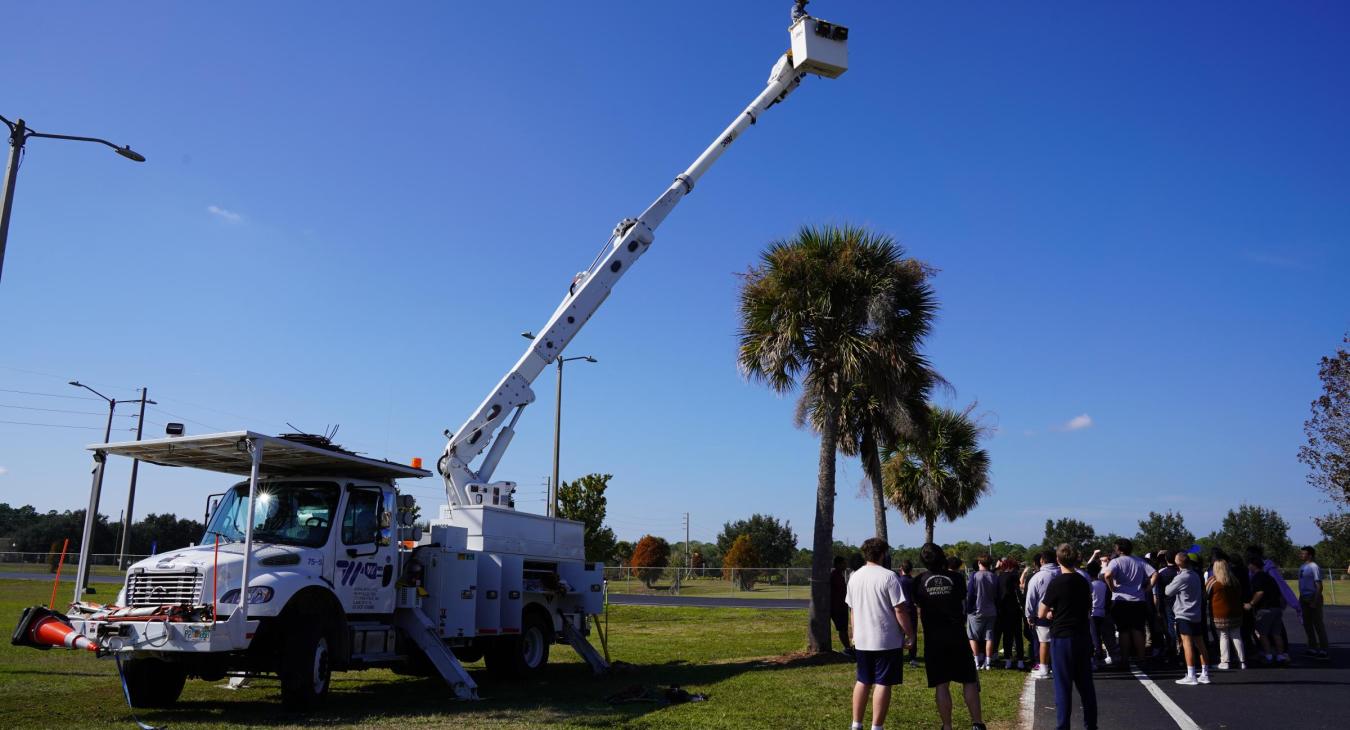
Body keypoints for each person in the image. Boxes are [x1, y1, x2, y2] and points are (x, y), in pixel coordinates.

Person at [914, 543, 986, 730]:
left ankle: (947, 726)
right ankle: (977, 723)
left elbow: (919, 606)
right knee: (969, 680)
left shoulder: (919, 580)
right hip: (956, 634)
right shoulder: (957, 578)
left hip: (934, 637)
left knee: (941, 684)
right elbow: (962, 603)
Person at [846, 538, 914, 730]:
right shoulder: (889, 577)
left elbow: (853, 610)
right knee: (883, 682)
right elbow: (900, 610)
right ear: (883, 554)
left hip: (862, 639)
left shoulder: (855, 577)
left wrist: (854, 633)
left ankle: (856, 724)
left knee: (863, 680)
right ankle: (877, 726)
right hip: (886, 639)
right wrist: (910, 634)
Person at [1038, 543, 1097, 730]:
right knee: (1086, 685)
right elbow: (1088, 606)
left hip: (1063, 636)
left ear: (1058, 560)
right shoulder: (1083, 581)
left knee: (1063, 686)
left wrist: (1050, 613)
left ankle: (1063, 726)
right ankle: (1091, 725)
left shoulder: (1056, 583)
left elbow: (1041, 612)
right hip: (1082, 634)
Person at [1102, 538, 1155, 662]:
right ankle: (1141, 658)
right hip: (1138, 599)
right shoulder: (1139, 561)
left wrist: (1112, 587)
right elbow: (1154, 574)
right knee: (1138, 630)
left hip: (1121, 600)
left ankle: (1125, 658)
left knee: (1123, 631)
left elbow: (1107, 575)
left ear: (1119, 549)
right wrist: (1148, 588)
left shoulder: (1115, 562)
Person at [1165, 551, 1210, 685]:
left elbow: (1168, 591)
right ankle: (1205, 673)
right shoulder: (1196, 575)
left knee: (1187, 643)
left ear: (1178, 563)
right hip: (1196, 613)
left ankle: (1191, 675)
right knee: (1200, 644)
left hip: (1184, 613)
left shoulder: (1181, 577)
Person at [1245, 555, 1289, 665]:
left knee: (1262, 633)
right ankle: (1280, 655)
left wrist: (1251, 604)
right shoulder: (1269, 577)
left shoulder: (1257, 577)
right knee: (1276, 633)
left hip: (1265, 609)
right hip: (1276, 608)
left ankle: (1268, 655)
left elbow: (1259, 592)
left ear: (1253, 565)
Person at [1206, 555, 1246, 670]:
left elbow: (1205, 595)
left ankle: (1225, 661)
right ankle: (1242, 661)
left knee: (1223, 636)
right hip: (1236, 612)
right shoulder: (1234, 581)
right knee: (1236, 636)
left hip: (1220, 613)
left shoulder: (1214, 582)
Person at [1025, 549, 1059, 679]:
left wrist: (1029, 615)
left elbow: (1031, 598)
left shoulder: (1038, 576)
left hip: (1042, 614)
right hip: (1061, 614)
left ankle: (1044, 667)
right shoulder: (1062, 573)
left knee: (1044, 641)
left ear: (1042, 560)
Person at [966, 555, 999, 670]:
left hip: (976, 610)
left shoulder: (974, 575)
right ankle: (988, 662)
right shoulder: (994, 576)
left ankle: (976, 662)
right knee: (989, 637)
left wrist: (968, 609)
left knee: (973, 637)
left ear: (979, 562)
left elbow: (970, 594)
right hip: (991, 610)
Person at [1298, 546, 1329, 659]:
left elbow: (1319, 586)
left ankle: (1324, 649)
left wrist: (1315, 601)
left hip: (1313, 598)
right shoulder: (1302, 566)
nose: (1301, 555)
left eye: (1303, 553)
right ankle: (1312, 647)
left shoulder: (1314, 567)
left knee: (1318, 624)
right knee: (1307, 624)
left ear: (1310, 555)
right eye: (1301, 553)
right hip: (1303, 598)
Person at [995, 558, 1026, 669]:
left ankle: (1007, 660)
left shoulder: (999, 577)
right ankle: (1020, 660)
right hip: (1015, 609)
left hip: (1003, 609)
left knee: (1007, 636)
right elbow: (1018, 592)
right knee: (1018, 635)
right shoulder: (1014, 576)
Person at [1151, 550, 1179, 663]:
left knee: (1170, 628)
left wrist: (1157, 609)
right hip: (1181, 603)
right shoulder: (1181, 572)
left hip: (1167, 604)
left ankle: (1172, 650)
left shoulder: (1162, 573)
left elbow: (1157, 594)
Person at [896, 560, 920, 668]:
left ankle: (898, 655)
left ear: (901, 569)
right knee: (912, 633)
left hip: (901, 609)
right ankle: (912, 657)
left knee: (900, 632)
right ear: (911, 570)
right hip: (911, 609)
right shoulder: (914, 581)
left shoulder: (898, 581)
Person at [832, 555, 854, 657]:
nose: (845, 565)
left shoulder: (840, 575)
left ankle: (848, 648)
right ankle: (847, 648)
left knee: (844, 628)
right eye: (843, 563)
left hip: (842, 606)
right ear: (838, 564)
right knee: (842, 629)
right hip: (838, 607)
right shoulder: (835, 576)